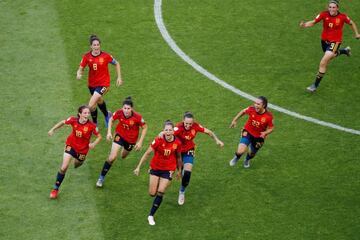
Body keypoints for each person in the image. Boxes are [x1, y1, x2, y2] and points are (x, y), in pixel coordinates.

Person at [300, 0, 360, 92]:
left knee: (323, 62)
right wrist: (305, 25)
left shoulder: (342, 17)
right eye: (330, 7)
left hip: (335, 42)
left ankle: (315, 85)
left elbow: (352, 23)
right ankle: (344, 51)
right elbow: (314, 22)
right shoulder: (324, 14)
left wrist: (357, 34)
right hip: (324, 41)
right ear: (328, 7)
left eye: (334, 7)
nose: (331, 9)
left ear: (337, 8)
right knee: (329, 56)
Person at [133, 120, 182, 226]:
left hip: (169, 169)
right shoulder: (158, 140)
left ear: (173, 131)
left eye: (170, 130)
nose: (168, 132)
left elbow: (178, 157)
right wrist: (138, 167)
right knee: (152, 193)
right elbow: (147, 153)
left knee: (161, 191)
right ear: (163, 131)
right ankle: (158, 190)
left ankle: (151, 215)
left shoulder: (177, 143)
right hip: (155, 167)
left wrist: (179, 171)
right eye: (166, 130)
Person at [48, 105, 102, 199]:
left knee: (77, 164)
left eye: (88, 113)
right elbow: (63, 122)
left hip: (82, 150)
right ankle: (55, 189)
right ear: (79, 114)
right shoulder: (73, 120)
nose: (87, 115)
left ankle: (77, 161)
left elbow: (99, 137)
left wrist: (94, 143)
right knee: (64, 167)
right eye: (85, 113)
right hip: (71, 145)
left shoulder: (92, 126)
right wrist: (52, 129)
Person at [96, 96, 148, 187]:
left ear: (132, 108)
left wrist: (140, 142)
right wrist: (109, 132)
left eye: (128, 108)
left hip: (131, 140)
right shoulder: (119, 113)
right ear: (122, 108)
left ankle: (120, 149)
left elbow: (145, 127)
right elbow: (111, 119)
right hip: (120, 135)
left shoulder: (137, 117)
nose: (126, 110)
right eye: (124, 108)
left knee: (123, 156)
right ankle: (101, 178)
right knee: (112, 157)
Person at [174, 112, 224, 206]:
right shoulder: (177, 128)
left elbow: (208, 132)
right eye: (186, 123)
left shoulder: (196, 126)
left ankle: (182, 192)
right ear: (183, 121)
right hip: (178, 152)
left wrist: (217, 140)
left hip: (189, 150)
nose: (188, 126)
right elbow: (166, 135)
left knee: (187, 174)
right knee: (180, 172)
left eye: (190, 124)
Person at [76, 34, 123, 126]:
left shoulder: (106, 56)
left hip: (104, 84)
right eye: (94, 45)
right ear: (91, 46)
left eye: (98, 45)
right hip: (92, 85)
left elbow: (116, 63)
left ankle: (84, 120)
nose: (96, 47)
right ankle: (107, 115)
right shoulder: (86, 57)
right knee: (99, 101)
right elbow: (80, 68)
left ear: (100, 45)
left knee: (91, 103)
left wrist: (119, 77)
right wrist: (78, 73)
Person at [229, 96, 274, 168]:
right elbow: (243, 111)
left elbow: (271, 128)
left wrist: (266, 133)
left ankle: (247, 160)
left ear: (264, 105)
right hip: (248, 132)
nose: (256, 105)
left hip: (259, 137)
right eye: (255, 103)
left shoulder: (268, 116)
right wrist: (234, 120)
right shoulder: (251, 109)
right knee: (240, 151)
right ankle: (236, 157)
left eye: (258, 104)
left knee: (251, 153)